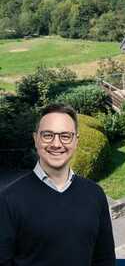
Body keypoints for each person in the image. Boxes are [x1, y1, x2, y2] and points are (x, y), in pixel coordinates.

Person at [0, 104, 116, 266]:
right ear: (36, 139)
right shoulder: (8, 200)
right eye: (48, 135)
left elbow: (105, 259)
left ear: (76, 141)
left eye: (65, 136)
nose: (56, 144)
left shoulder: (95, 194)